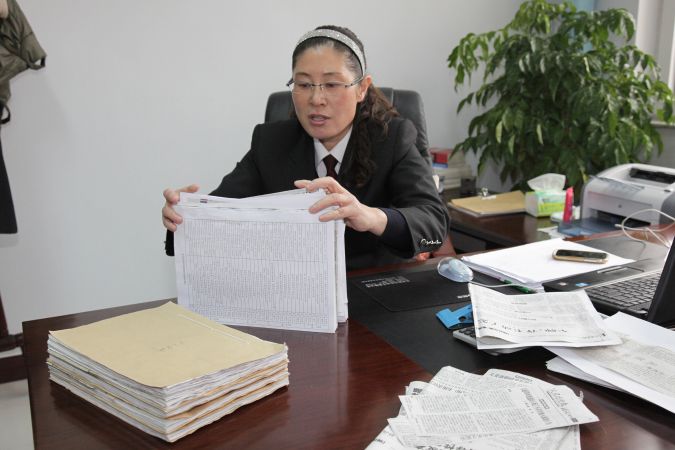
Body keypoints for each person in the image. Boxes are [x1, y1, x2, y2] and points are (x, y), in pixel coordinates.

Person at [162, 25, 449, 270]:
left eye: (331, 84)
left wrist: (370, 216)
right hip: (295, 294)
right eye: (304, 84)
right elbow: (219, 217)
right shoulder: (270, 142)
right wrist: (183, 217)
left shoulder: (392, 138)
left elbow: (434, 227)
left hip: (374, 289)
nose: (316, 99)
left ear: (362, 88)